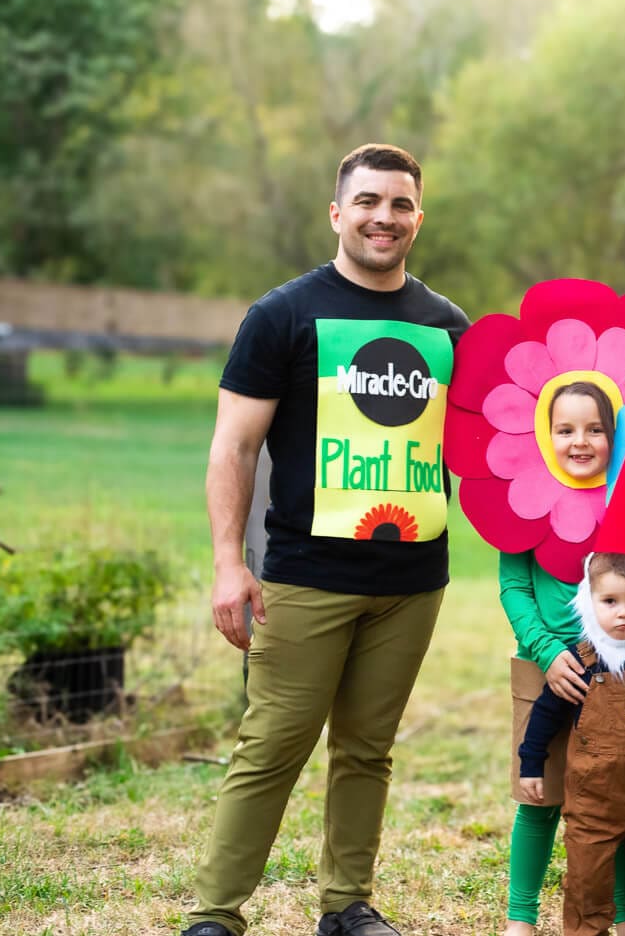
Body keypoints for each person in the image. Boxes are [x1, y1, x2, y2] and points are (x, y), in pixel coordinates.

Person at [183, 144, 469, 936]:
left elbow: (492, 447)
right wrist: (226, 565)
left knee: (367, 750)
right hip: (305, 575)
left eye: (402, 204)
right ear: (338, 213)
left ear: (419, 217)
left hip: (414, 579)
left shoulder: (447, 327)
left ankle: (347, 906)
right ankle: (216, 915)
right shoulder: (283, 315)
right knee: (272, 745)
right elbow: (233, 448)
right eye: (369, 202)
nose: (386, 217)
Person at [500, 383, 625, 936]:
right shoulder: (524, 497)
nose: (580, 441)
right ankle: (520, 918)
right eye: (565, 430)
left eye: (595, 430)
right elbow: (513, 585)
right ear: (546, 434)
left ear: (614, 436)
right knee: (538, 795)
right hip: (548, 668)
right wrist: (546, 649)